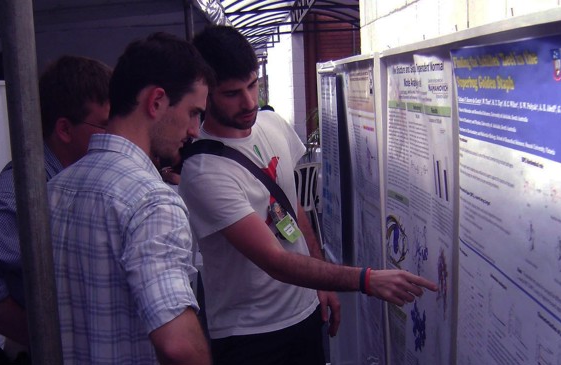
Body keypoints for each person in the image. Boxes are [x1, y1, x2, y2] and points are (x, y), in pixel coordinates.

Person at [179, 25, 438, 365]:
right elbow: (275, 260)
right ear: (205, 94)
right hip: (251, 335)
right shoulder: (203, 170)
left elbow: (294, 210)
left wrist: (321, 283)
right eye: (231, 93)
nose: (249, 102)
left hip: (303, 314)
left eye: (253, 85)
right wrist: (365, 279)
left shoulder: (272, 124)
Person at [47, 32, 213, 365]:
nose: (195, 130)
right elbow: (178, 344)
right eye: (194, 113)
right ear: (156, 101)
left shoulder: (55, 188)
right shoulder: (153, 202)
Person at [0, 55, 111, 348]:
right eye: (105, 126)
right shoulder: (25, 190)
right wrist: (42, 337)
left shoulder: (68, 177)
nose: (115, 137)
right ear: (65, 129)